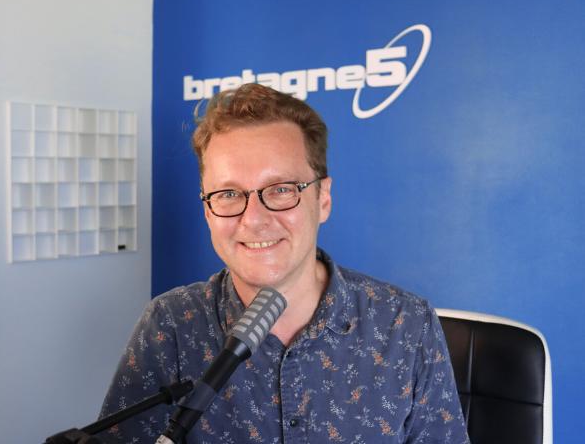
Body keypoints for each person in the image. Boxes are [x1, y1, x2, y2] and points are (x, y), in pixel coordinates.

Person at [99, 83, 470, 443]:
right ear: (208, 210)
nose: (253, 219)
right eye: (228, 193)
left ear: (323, 199)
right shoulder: (172, 326)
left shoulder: (406, 325)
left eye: (280, 190)